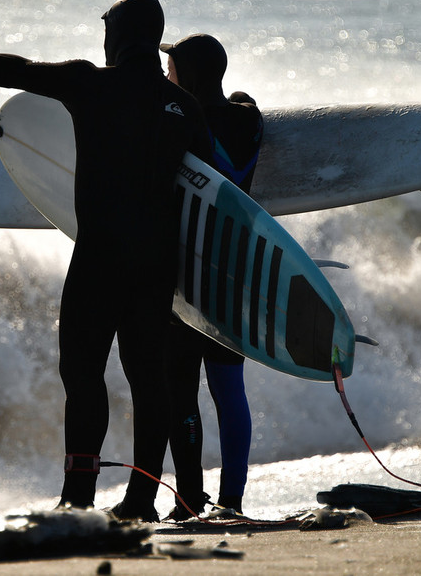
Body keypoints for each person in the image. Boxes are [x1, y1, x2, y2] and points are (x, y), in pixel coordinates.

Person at [0, 0, 209, 522]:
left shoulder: (90, 82)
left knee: (82, 373)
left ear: (117, 35)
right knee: (149, 378)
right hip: (156, 261)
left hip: (101, 256)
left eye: (107, 30)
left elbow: (18, 72)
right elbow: (212, 192)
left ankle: (78, 494)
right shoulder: (185, 107)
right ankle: (143, 497)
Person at [159, 33, 263, 520]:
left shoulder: (179, 120)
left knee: (180, 386)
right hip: (236, 269)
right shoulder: (250, 119)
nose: (166, 73)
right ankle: (233, 498)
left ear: (189, 74)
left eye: (172, 65)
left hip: (186, 267)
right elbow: (242, 98)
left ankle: (188, 499)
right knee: (229, 389)